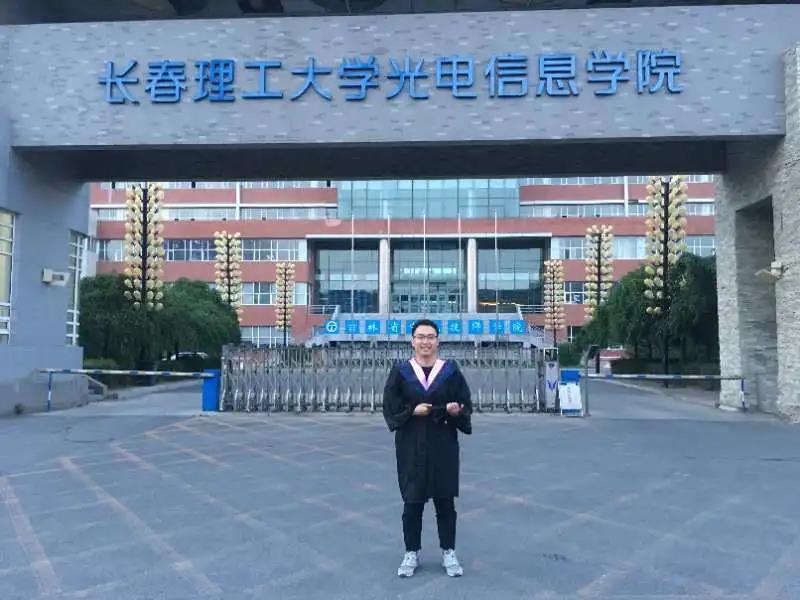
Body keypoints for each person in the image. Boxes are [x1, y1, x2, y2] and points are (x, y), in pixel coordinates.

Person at [382, 319, 473, 578]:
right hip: (411, 445)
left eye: (430, 336)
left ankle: (448, 551)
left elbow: (465, 403)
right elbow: (390, 407)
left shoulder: (450, 371)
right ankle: (411, 552)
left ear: (437, 341)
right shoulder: (400, 372)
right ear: (412, 341)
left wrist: (457, 411)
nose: (425, 341)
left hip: (443, 444)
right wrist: (412, 412)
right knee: (412, 502)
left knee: (445, 502)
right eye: (420, 337)